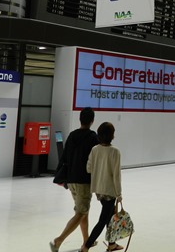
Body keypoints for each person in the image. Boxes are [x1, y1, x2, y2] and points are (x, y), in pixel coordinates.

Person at [50, 107, 99, 252]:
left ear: (80, 119)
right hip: (84, 181)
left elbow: (64, 157)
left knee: (82, 211)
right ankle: (58, 241)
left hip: (71, 180)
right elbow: (95, 161)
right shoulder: (93, 137)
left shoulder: (72, 135)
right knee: (81, 212)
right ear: (92, 121)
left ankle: (87, 241)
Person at [81, 122, 123, 252]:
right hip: (109, 191)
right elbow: (116, 175)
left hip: (98, 190)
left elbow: (88, 168)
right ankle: (86, 246)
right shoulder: (115, 152)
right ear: (112, 135)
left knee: (109, 217)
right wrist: (119, 194)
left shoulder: (95, 149)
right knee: (103, 220)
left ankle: (112, 244)